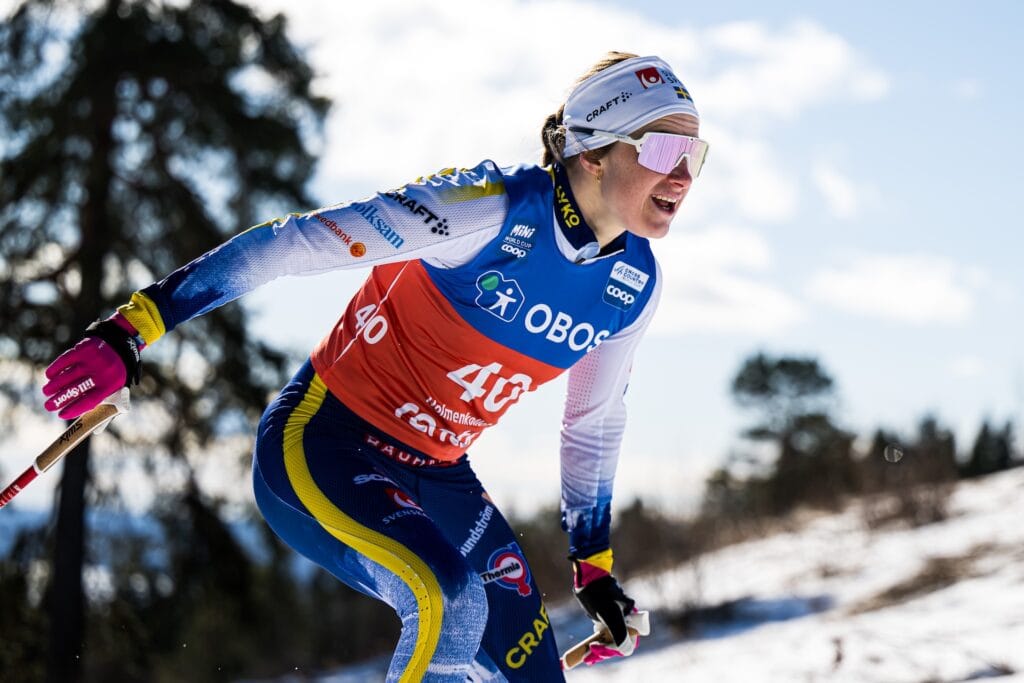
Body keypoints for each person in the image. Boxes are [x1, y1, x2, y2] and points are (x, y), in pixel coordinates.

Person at [41, 51, 708, 681]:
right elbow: (295, 244)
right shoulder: (486, 209)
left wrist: (593, 567)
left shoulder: (633, 283)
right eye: (664, 149)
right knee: (450, 600)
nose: (683, 175)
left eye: (695, 155)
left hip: (440, 474)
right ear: (591, 152)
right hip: (327, 443)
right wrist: (135, 327)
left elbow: (592, 424)